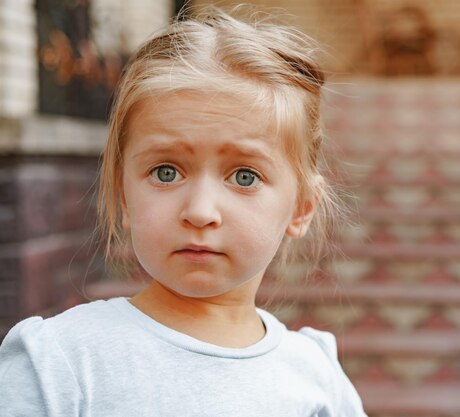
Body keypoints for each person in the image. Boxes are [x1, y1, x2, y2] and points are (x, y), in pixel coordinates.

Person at [0, 7, 367, 416]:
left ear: (302, 208)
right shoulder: (58, 363)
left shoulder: (314, 375)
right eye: (166, 171)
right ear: (124, 197)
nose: (200, 211)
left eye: (244, 177)